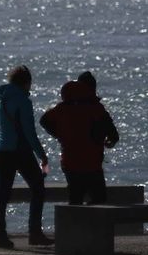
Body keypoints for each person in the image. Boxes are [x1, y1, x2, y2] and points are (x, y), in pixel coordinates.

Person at [0, 65, 50, 249]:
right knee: (38, 188)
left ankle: (0, 237)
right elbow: (29, 133)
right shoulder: (23, 101)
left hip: (2, 152)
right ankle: (35, 233)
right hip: (20, 152)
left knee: (3, 195)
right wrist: (43, 156)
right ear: (26, 83)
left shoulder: (2, 101)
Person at [40, 70, 121, 205]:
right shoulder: (96, 109)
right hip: (92, 164)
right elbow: (114, 135)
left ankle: (73, 225)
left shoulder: (63, 108)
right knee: (99, 200)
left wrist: (60, 135)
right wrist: (107, 141)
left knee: (75, 200)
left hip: (70, 163)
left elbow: (44, 121)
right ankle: (93, 226)